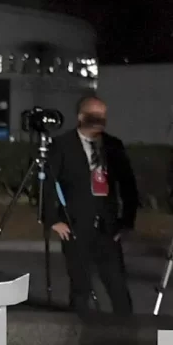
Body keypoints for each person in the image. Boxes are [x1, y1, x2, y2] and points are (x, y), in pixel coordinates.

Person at [48, 93, 140, 313]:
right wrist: (52, 219)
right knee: (81, 287)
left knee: (117, 286)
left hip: (108, 228)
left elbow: (128, 186)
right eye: (95, 114)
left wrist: (127, 221)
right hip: (75, 226)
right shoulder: (62, 145)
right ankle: (79, 334)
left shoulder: (113, 146)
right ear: (81, 116)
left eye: (103, 115)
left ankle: (128, 336)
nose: (100, 119)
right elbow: (47, 184)